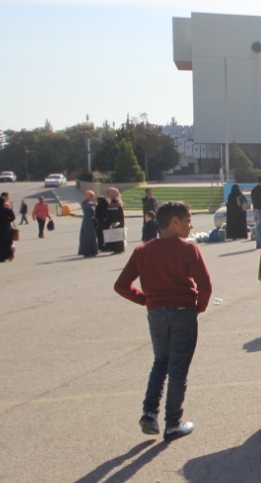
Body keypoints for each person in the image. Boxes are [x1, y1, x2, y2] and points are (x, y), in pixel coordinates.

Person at [113, 201, 211, 442]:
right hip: (182, 311)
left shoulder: (143, 251)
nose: (191, 225)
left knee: (161, 362)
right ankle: (173, 422)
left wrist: (147, 300)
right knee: (178, 369)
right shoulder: (188, 250)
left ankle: (149, 412)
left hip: (156, 313)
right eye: (188, 221)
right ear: (175, 222)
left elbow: (121, 285)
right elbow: (205, 285)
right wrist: (198, 307)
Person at [98, 187, 126, 254]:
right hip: (116, 222)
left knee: (117, 235)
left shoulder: (115, 202)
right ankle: (118, 249)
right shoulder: (114, 202)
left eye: (108, 193)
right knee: (116, 235)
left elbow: (116, 214)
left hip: (117, 222)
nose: (108, 195)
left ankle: (118, 250)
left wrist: (114, 223)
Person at [78, 191, 100, 257]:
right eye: (90, 196)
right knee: (87, 237)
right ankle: (87, 252)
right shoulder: (84, 202)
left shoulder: (90, 202)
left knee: (93, 236)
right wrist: (95, 204)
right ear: (86, 195)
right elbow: (89, 205)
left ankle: (93, 251)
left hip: (92, 220)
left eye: (92, 196)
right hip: (87, 220)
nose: (91, 197)